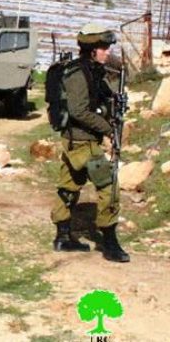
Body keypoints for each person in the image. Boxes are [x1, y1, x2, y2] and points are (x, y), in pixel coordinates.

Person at [50, 22, 129, 262]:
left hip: (77, 142)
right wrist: (107, 128)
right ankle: (109, 242)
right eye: (103, 48)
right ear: (91, 49)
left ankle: (63, 237)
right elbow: (78, 111)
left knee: (69, 186)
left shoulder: (93, 70)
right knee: (108, 187)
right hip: (84, 144)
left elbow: (101, 99)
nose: (107, 52)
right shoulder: (78, 73)